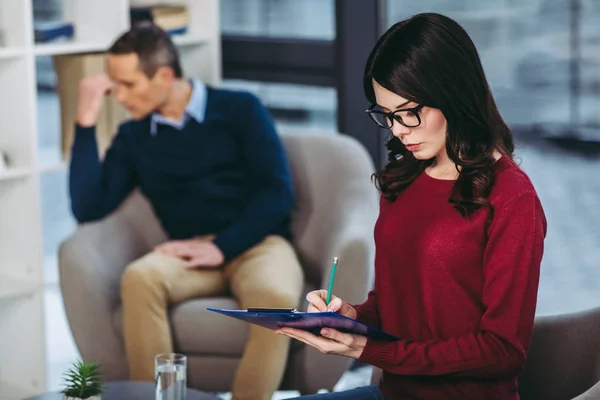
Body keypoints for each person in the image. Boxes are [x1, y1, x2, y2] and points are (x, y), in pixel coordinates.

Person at [277, 12, 547, 400]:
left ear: (453, 94)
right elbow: (393, 308)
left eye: (408, 112)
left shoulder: (511, 197)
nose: (398, 130)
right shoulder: (401, 181)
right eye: (386, 115)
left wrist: (371, 350)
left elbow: (502, 351)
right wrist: (351, 317)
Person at [69, 22, 304, 400]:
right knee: (139, 277)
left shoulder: (240, 108)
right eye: (115, 85)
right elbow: (87, 206)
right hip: (190, 253)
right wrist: (85, 120)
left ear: (164, 75)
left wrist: (222, 246)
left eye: (128, 84)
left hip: (259, 242)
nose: (120, 96)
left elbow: (277, 193)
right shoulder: (134, 136)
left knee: (274, 297)